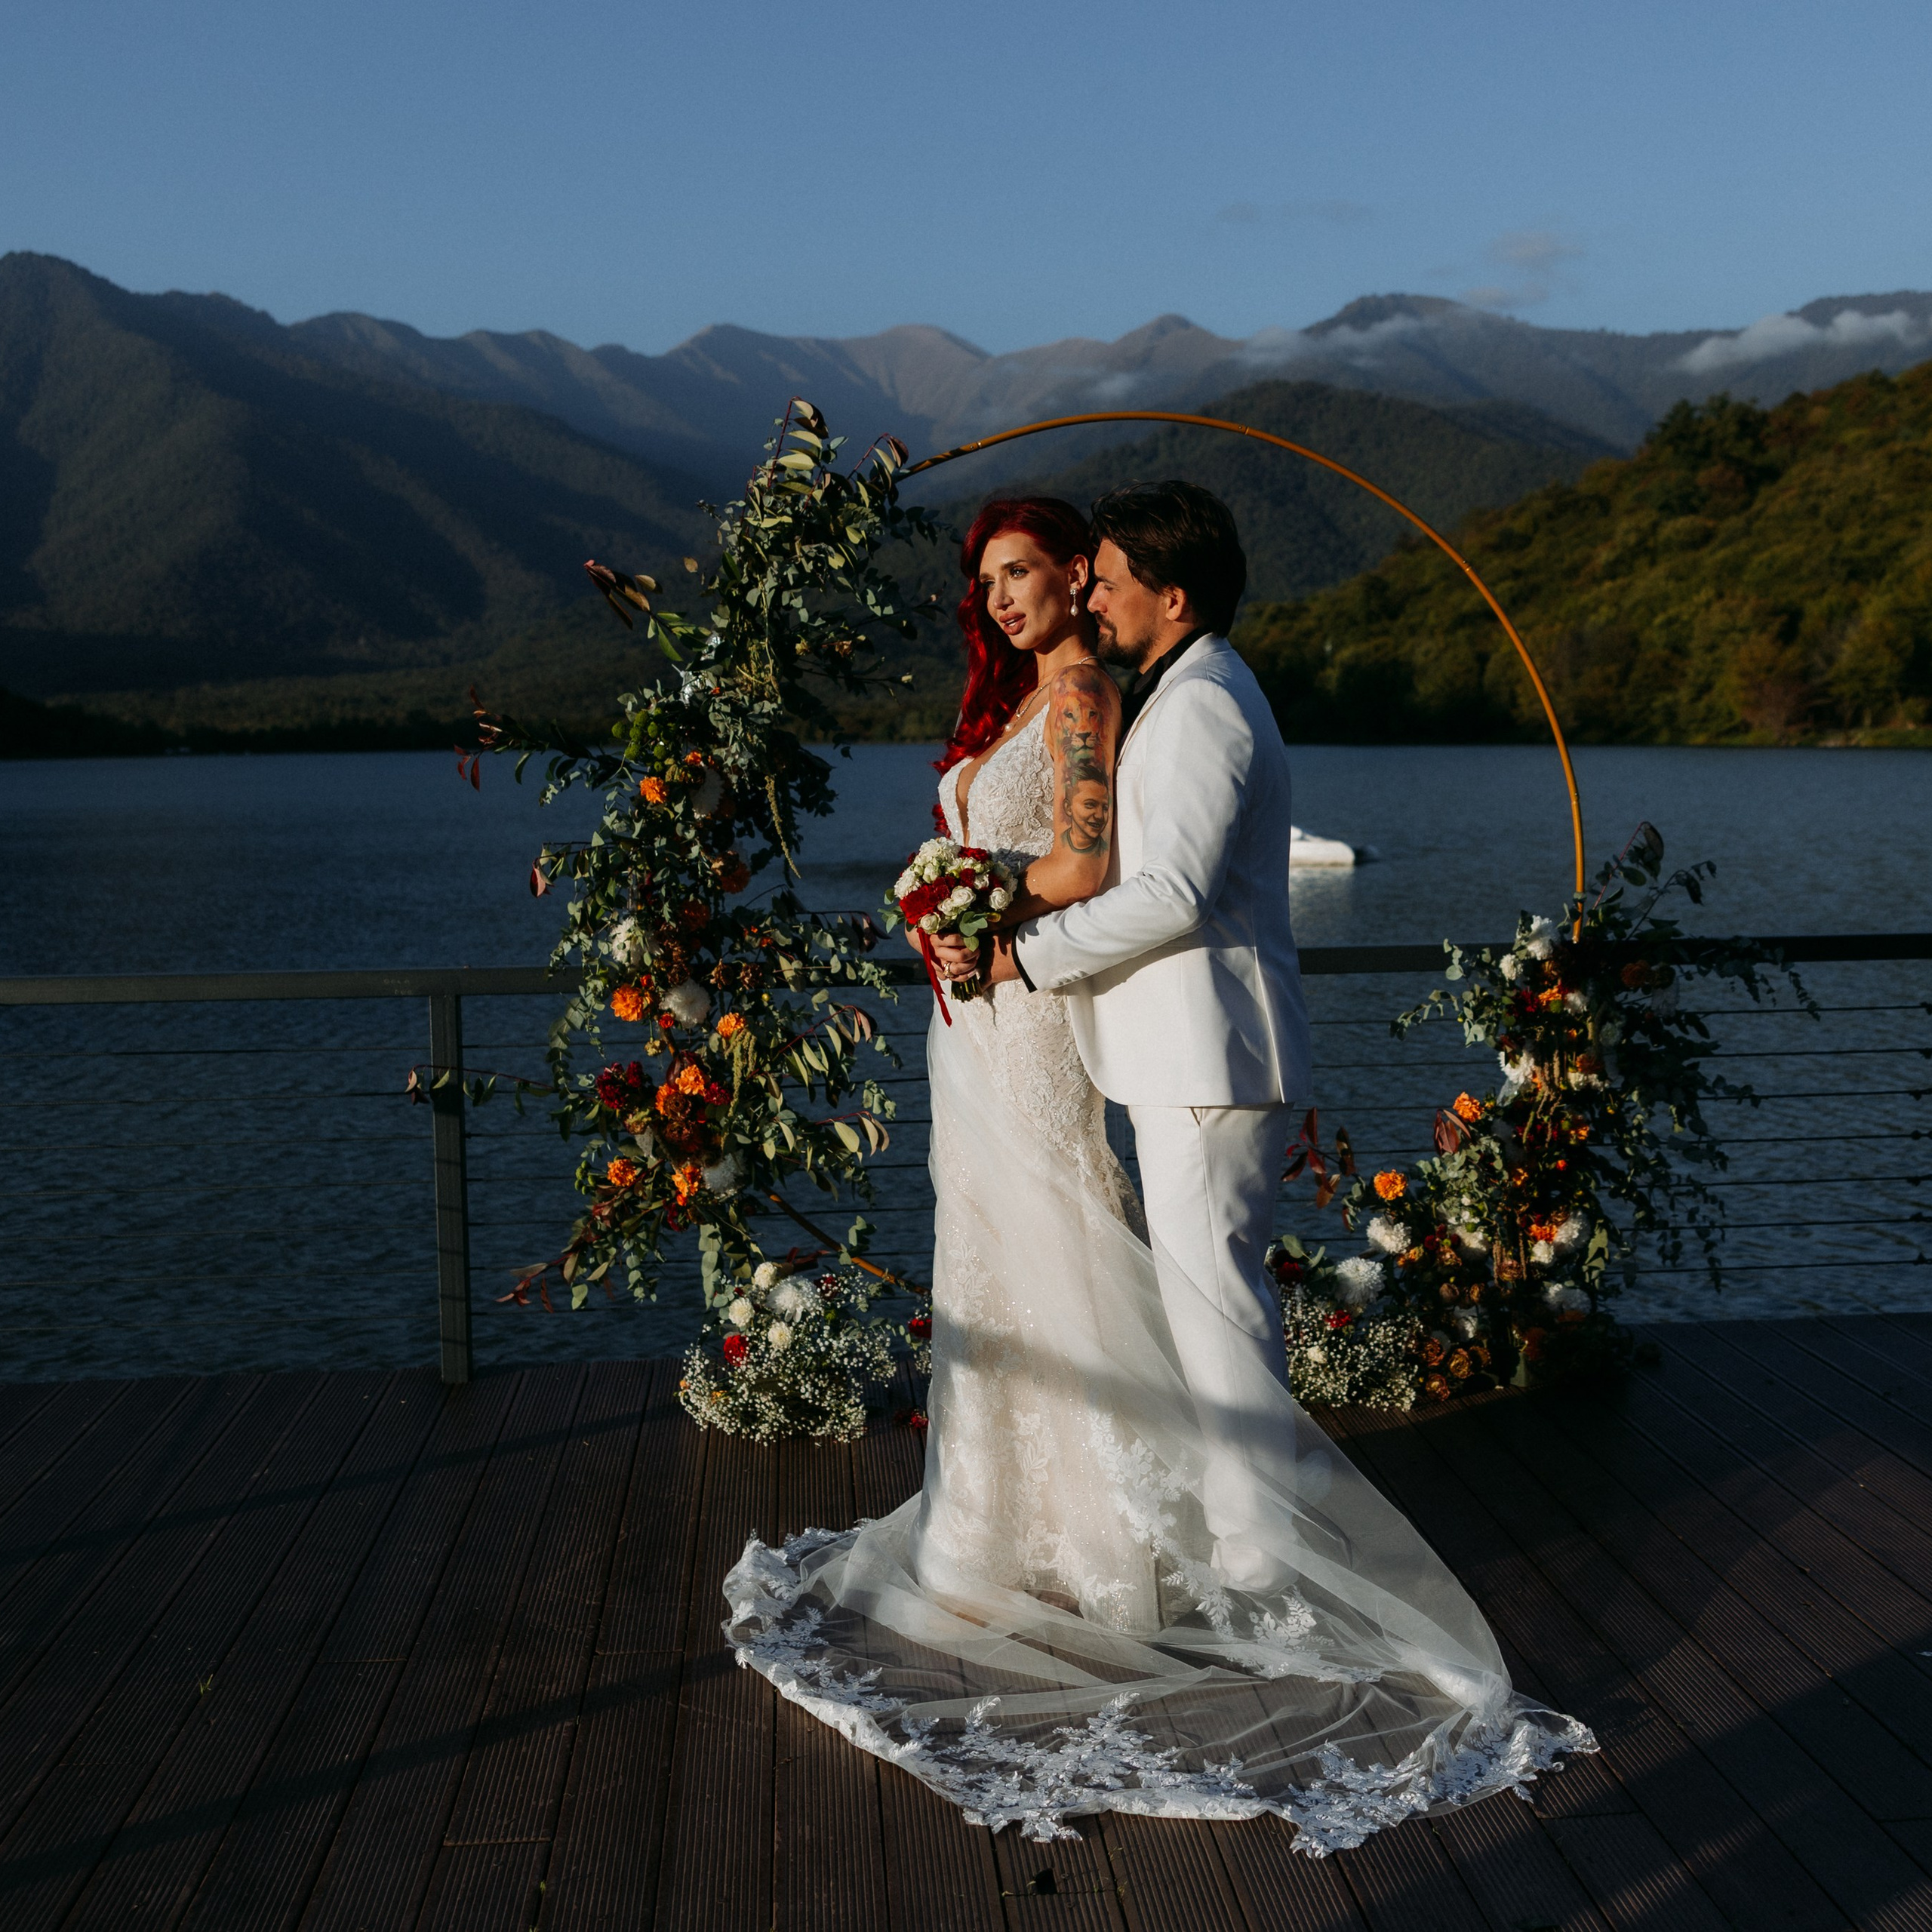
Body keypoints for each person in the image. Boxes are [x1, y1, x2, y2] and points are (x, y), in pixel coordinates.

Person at [722, 486, 1592, 1849]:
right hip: (1165, 1053)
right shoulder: (1181, 685)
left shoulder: (1201, 705)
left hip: (1204, 1060)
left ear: (1162, 595)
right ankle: (1204, 1545)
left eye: (1102, 576)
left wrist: (1004, 936)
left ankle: (1271, 1579)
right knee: (1189, 1305)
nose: (1091, 594)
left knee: (1213, 1315)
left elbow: (1167, 891)